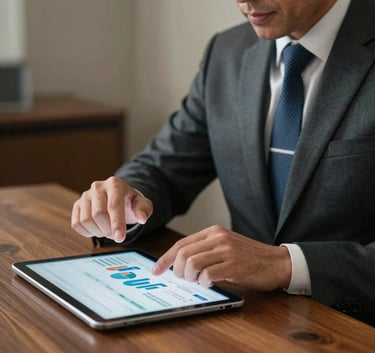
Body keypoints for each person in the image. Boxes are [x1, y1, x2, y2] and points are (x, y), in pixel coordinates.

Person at [71, 0, 375, 325]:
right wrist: (127, 199)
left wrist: (286, 264)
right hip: (247, 320)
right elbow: (165, 166)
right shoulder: (227, 51)